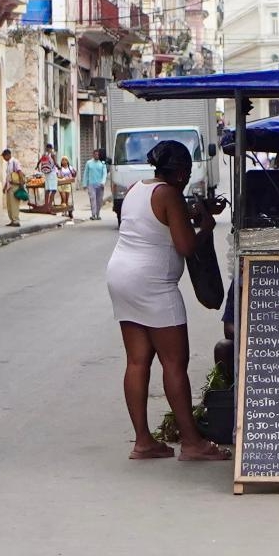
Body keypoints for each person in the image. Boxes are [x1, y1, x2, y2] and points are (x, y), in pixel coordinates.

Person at [106, 140, 230, 461]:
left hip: (121, 276)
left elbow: (153, 222)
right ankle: (192, 443)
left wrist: (191, 211)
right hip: (153, 284)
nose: (186, 181)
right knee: (175, 362)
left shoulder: (137, 188)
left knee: (137, 361)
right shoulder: (169, 193)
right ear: (179, 173)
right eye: (186, 175)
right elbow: (186, 246)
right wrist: (207, 225)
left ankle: (143, 441)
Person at [82, 149, 108, 220]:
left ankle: (98, 214)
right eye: (95, 154)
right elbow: (86, 174)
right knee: (92, 199)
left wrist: (103, 182)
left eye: (98, 154)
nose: (96, 156)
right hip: (91, 184)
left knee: (99, 200)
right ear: (93, 155)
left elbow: (104, 174)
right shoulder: (89, 163)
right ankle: (93, 214)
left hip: (100, 185)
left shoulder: (102, 163)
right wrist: (84, 184)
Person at [1, 149, 24, 227]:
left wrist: (21, 184)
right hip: (9, 186)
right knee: (10, 204)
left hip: (15, 185)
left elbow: (20, 172)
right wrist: (5, 187)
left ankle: (16, 220)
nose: (3, 158)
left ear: (8, 155)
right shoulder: (8, 164)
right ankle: (12, 220)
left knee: (14, 204)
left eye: (4, 156)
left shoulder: (15, 162)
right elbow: (8, 177)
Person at [37, 143, 58, 210]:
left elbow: (39, 162)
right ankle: (49, 205)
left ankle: (46, 205)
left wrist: (37, 166)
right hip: (52, 173)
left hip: (46, 174)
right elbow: (55, 163)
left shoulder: (44, 154)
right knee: (54, 190)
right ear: (51, 148)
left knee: (47, 190)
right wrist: (59, 168)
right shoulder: (52, 154)